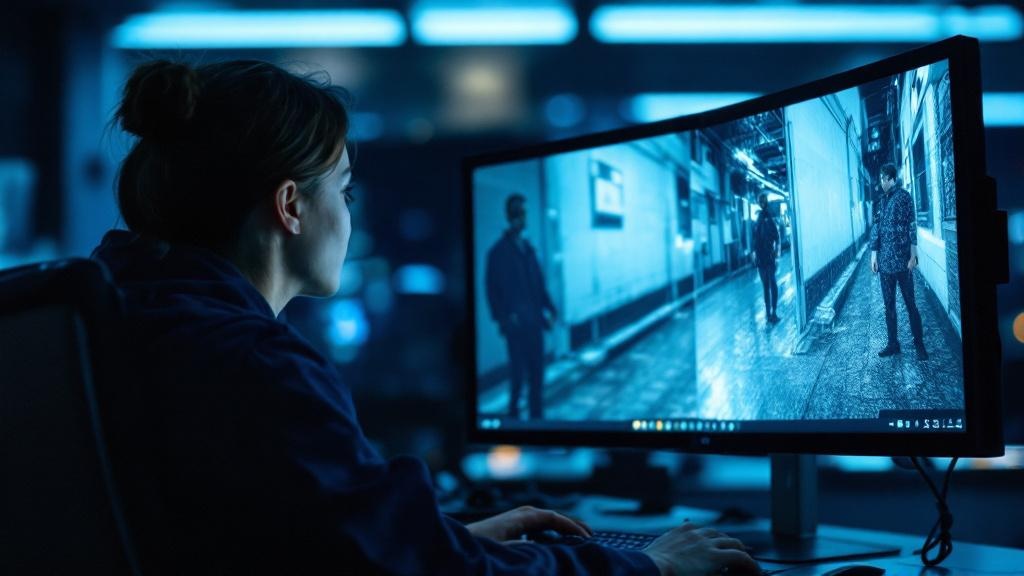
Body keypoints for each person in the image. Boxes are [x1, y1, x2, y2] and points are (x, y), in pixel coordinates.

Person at [92, 59, 760, 575]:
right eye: (344, 189)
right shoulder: (253, 363)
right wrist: (650, 564)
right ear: (291, 207)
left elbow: (290, 543)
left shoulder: (123, 326)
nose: (350, 216)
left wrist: (431, 538)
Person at [484, 194, 557, 420]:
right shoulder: (498, 253)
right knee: (517, 379)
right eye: (516, 212)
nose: (520, 217)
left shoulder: (529, 249)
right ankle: (514, 424)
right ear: (508, 216)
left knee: (537, 378)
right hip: (516, 329)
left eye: (523, 212)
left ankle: (537, 423)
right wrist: (504, 319)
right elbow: (491, 291)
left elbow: (539, 283)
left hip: (534, 324)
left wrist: (550, 310)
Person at [870, 163, 928, 360]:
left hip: (903, 263)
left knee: (911, 304)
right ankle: (893, 343)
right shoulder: (881, 202)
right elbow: (876, 229)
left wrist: (913, 255)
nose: (882, 181)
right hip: (885, 265)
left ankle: (919, 344)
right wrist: (873, 255)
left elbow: (912, 226)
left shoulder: (903, 197)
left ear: (893, 178)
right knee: (889, 306)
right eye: (881, 178)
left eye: (885, 178)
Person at [753, 193, 781, 324]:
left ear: (766, 202)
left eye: (763, 201)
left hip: (768, 257)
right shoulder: (758, 219)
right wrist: (754, 254)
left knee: (772, 284)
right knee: (766, 286)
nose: (761, 203)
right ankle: (769, 313)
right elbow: (755, 239)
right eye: (760, 201)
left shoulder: (769, 218)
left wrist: (775, 251)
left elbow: (776, 236)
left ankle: (773, 312)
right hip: (761, 259)